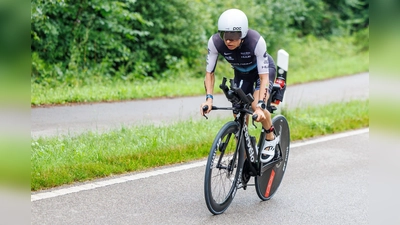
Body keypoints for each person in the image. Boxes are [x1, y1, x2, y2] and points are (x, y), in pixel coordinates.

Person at [200, 8, 279, 163]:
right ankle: (244, 150)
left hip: (262, 72)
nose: (228, 41)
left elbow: (263, 78)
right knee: (238, 109)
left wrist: (261, 105)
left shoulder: (256, 42)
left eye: (233, 36)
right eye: (225, 35)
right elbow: (209, 73)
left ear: (242, 34)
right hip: (242, 74)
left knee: (256, 106)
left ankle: (270, 137)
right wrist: (209, 99)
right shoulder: (215, 42)